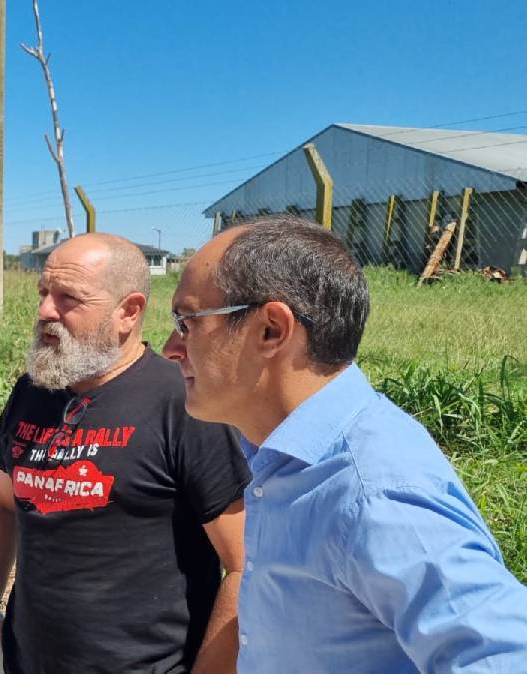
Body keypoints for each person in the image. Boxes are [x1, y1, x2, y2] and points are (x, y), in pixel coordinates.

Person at [163, 214, 527, 672]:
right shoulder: (282, 456)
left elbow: (504, 655)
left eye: (186, 321)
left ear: (271, 330)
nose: (170, 349)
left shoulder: (373, 492)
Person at [0, 233, 250, 674]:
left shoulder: (181, 403)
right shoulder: (34, 389)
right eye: (44, 293)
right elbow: (0, 502)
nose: (46, 310)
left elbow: (244, 565)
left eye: (69, 298)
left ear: (129, 311)